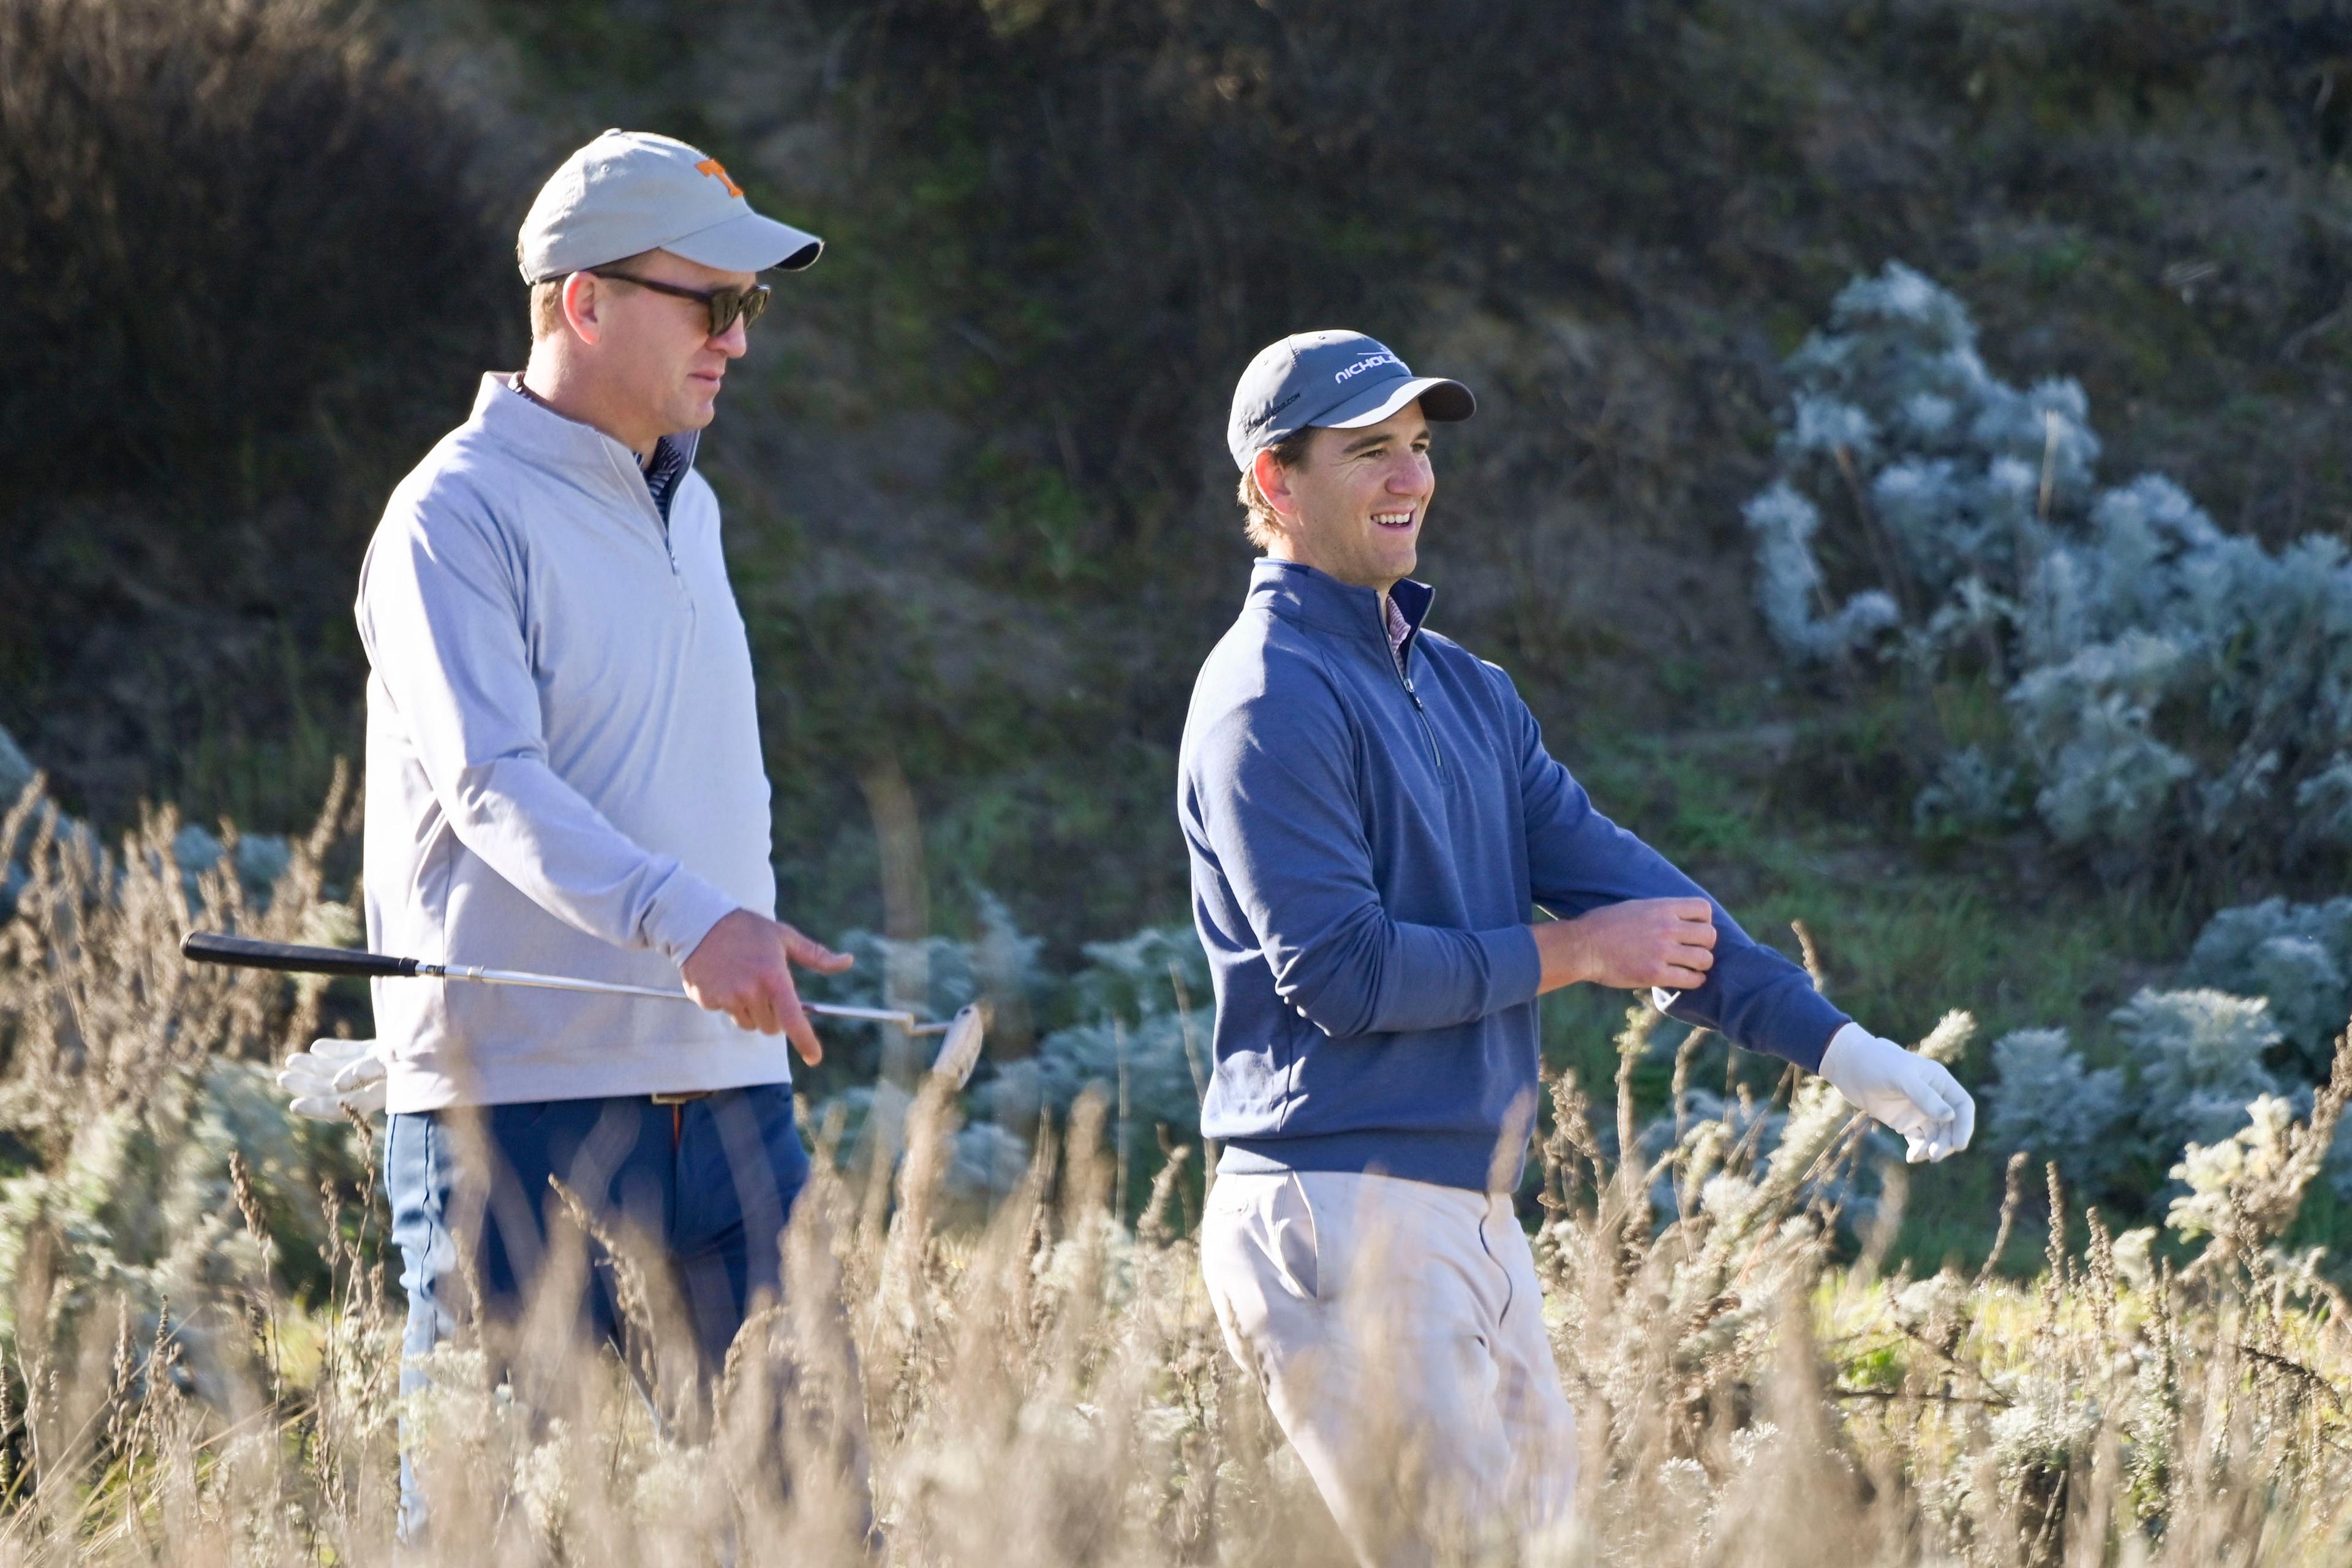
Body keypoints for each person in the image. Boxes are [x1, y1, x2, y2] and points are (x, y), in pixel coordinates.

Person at [1182, 330, 1976, 1565]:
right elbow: (1342, 974)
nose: (1410, 479)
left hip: (1472, 1221)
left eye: (1420, 447)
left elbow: (1645, 901)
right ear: (1276, 484)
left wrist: (1839, 1047)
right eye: (1368, 452)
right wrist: (1575, 954)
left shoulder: (1464, 690)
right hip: (1336, 1208)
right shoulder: (1267, 694)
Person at [347, 128, 850, 1534]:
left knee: (816, 1525)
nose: (738, 343)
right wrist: (694, 918)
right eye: (715, 303)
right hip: (515, 1111)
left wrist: (722, 939)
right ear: (584, 301)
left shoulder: (695, 508)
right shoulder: (452, 514)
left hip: (734, 1101)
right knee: (488, 1530)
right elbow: (492, 779)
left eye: (749, 309)